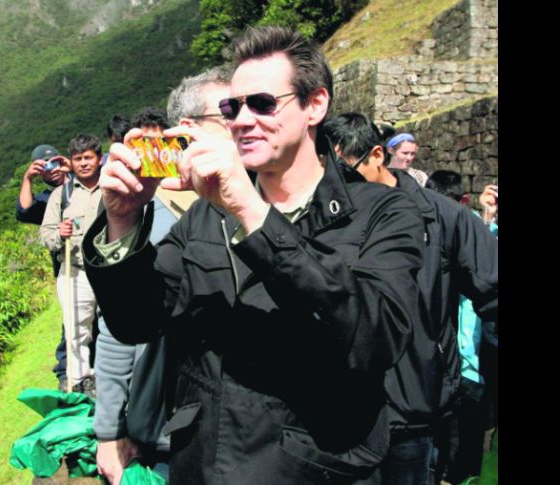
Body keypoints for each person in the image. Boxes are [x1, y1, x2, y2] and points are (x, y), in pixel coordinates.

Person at [83, 26, 426, 484]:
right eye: (232, 107)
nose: (242, 120)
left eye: (263, 103)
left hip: (312, 470)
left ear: (315, 105)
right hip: (203, 464)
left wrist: (251, 210)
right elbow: (137, 321)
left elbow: (375, 338)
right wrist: (122, 223)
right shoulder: (206, 217)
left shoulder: (382, 212)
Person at [321, 113, 498, 485]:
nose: (340, 185)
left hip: (414, 402)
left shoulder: (443, 217)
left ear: (376, 155)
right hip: (336, 406)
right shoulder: (324, 214)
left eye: (347, 172)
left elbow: (492, 288)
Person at [93, 67, 232, 485]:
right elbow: (117, 329)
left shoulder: (252, 205)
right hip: (169, 430)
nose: (247, 123)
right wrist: (108, 430)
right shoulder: (149, 215)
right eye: (231, 113)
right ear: (188, 131)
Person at [424, 171, 498, 484]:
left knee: (462, 454)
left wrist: (487, 217)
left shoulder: (473, 234)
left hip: (472, 367)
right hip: (451, 365)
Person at [40, 133, 104, 395]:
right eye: (78, 159)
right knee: (77, 331)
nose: (84, 163)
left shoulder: (112, 185)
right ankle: (81, 381)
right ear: (71, 162)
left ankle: (108, 377)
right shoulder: (61, 195)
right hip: (75, 273)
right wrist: (60, 235)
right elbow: (46, 235)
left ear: (99, 159)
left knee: (113, 327)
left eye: (89, 157)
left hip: (111, 271)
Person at [15, 144, 71, 391]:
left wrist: (74, 168)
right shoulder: (46, 201)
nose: (53, 170)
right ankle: (66, 372)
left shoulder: (83, 183)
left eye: (56, 163)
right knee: (72, 320)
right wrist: (27, 178)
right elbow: (24, 210)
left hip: (98, 260)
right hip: (68, 267)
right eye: (46, 167)